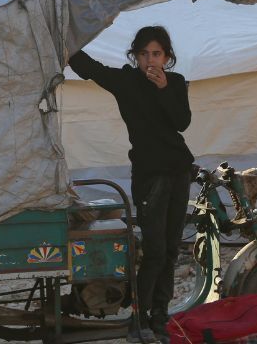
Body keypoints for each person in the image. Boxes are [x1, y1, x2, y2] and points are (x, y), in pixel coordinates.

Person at [68, 26, 192, 342]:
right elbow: (88, 68)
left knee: (170, 250)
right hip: (151, 177)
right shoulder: (126, 82)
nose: (150, 60)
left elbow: (181, 122)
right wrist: (64, 38)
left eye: (157, 54)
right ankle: (141, 320)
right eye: (144, 54)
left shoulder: (175, 83)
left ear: (167, 57)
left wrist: (165, 89)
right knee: (153, 250)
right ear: (135, 56)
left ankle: (160, 319)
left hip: (179, 172)